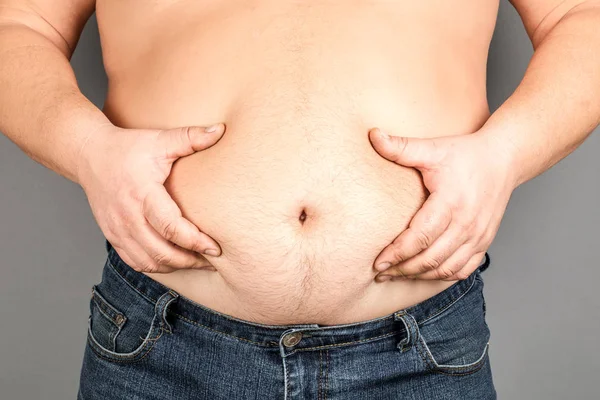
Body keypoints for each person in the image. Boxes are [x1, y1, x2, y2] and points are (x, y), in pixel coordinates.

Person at [1, 0, 598, 399]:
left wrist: (506, 154)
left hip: (420, 355)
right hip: (163, 349)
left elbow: (581, 15)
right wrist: (87, 150)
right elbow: (21, 25)